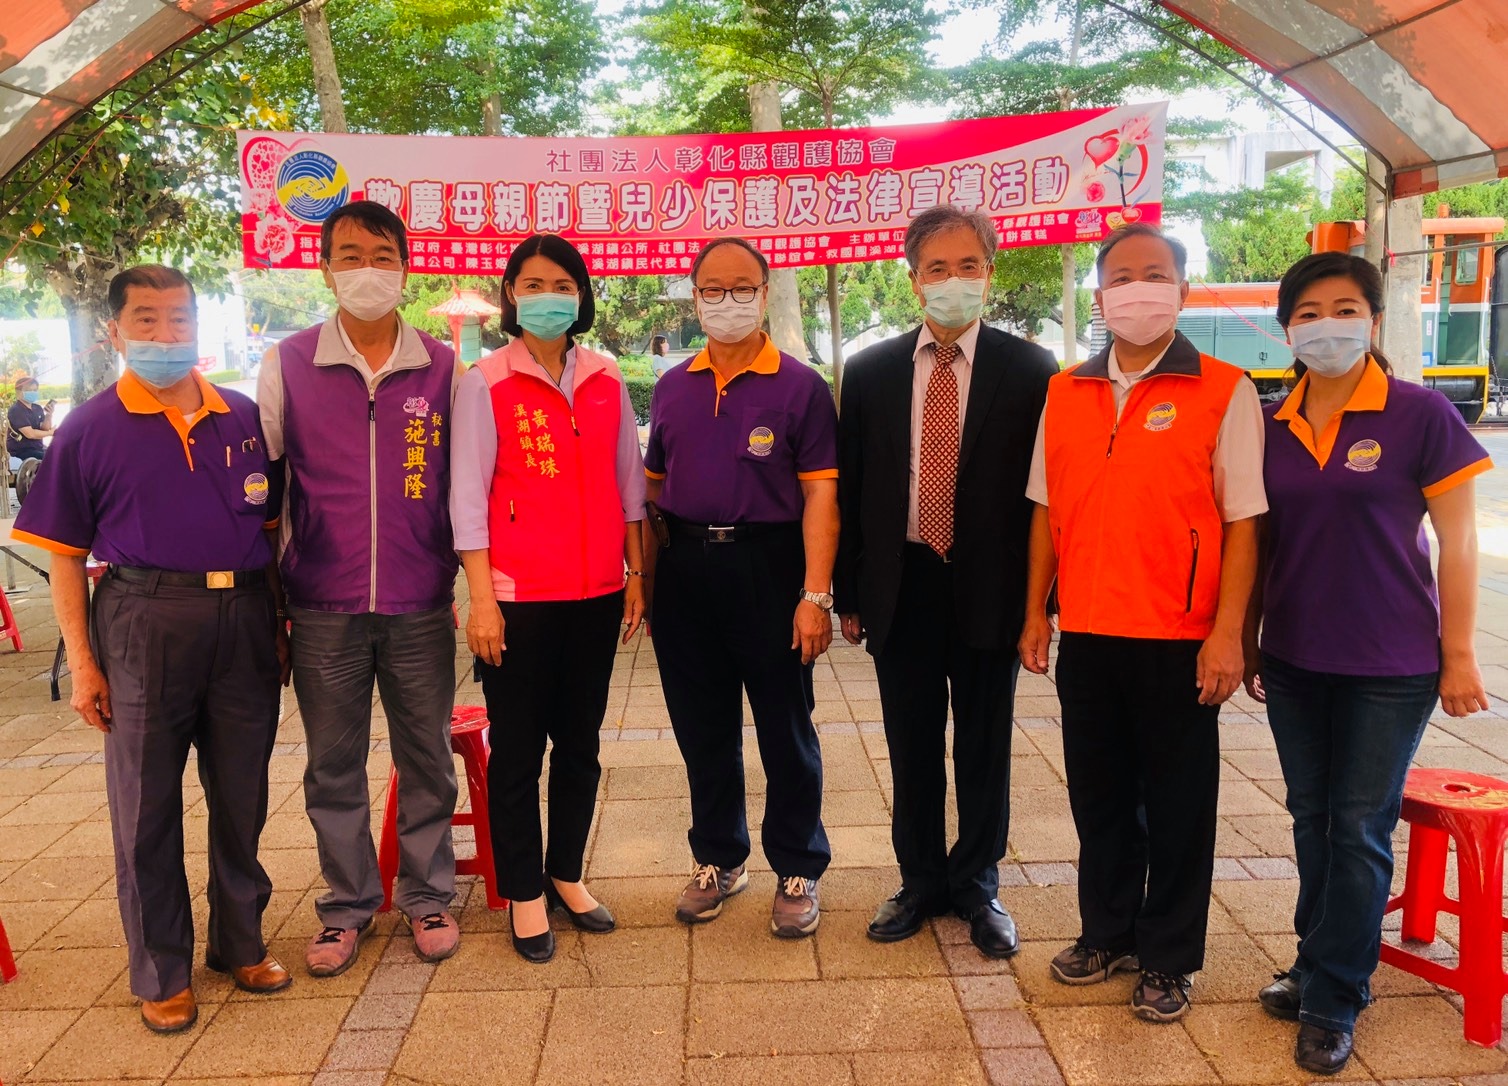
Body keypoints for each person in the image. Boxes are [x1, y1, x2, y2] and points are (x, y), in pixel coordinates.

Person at [10, 264, 290, 1033]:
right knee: (144, 808)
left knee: (243, 795)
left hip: (244, 617)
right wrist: (84, 662)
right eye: (146, 320)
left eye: (178, 319)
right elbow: (64, 553)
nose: (166, 335)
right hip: (143, 617)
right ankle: (161, 968)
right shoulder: (89, 430)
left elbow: (272, 529)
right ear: (115, 330)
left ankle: (240, 941)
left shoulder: (239, 417)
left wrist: (280, 620)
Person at [1245, 252, 1492, 1074]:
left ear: (1375, 319)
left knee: (1358, 825)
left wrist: (1457, 654)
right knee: (1310, 820)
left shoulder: (1420, 415)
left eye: (1344, 308)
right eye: (1307, 313)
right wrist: (1248, 638)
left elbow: (1459, 539)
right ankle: (1318, 960)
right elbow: (1261, 542)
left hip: (1391, 663)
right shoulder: (1270, 422)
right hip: (1292, 660)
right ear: (1287, 329)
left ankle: (1336, 994)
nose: (1326, 325)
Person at [1019, 223, 1267, 1023]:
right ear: (1101, 296)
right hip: (1088, 630)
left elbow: (1243, 522)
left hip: (1179, 636)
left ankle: (1169, 955)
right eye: (1121, 277)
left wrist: (1229, 632)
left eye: (1154, 274)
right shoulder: (1066, 390)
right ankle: (1109, 931)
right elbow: (1045, 509)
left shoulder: (1224, 390)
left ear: (1183, 289)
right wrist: (1036, 613)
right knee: (1098, 798)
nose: (1137, 289)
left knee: (1180, 804)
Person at [834, 205, 1055, 960]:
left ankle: (977, 885)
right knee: (911, 742)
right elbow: (855, 487)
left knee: (986, 745)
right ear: (912, 278)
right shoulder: (868, 372)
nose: (953, 281)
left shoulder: (1032, 371)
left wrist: (1039, 606)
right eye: (937, 268)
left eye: (968, 266)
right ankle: (920, 880)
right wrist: (849, 592)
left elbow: (1043, 499)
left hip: (989, 588)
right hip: (903, 584)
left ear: (990, 273)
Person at [258, 200, 464, 976]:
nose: (366, 270)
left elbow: (462, 488)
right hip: (322, 605)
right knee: (332, 765)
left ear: (405, 268)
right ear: (325, 267)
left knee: (426, 757)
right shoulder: (289, 363)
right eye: (349, 256)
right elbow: (270, 491)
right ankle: (346, 908)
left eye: (381, 255)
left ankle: (427, 894)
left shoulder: (443, 369)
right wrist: (274, 603)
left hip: (417, 601)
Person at [451, 234, 648, 963]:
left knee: (582, 747)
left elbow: (629, 484)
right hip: (516, 600)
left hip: (596, 594)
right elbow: (467, 497)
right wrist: (480, 600)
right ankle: (524, 891)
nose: (547, 296)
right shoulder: (486, 381)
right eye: (531, 284)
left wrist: (636, 575)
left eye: (562, 283)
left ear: (582, 294)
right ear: (510, 295)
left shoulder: (605, 376)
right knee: (518, 754)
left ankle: (567, 873)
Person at [644, 236, 838, 938]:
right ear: (694, 297)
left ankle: (798, 863)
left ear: (764, 290)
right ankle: (718, 857)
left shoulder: (800, 386)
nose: (728, 301)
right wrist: (645, 579)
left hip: (771, 567)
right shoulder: (672, 387)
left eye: (742, 287)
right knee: (703, 728)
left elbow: (821, 499)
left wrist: (815, 596)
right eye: (713, 289)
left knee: (785, 728)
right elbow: (653, 494)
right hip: (687, 570)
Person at [7, 376, 54, 463]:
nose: (33, 392)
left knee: (59, 454)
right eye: (29, 390)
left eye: (35, 390)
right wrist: (50, 433)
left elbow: (44, 428)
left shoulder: (37, 408)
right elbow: (30, 434)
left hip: (38, 448)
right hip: (21, 451)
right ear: (19, 392)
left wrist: (49, 415)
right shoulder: (16, 410)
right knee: (51, 460)